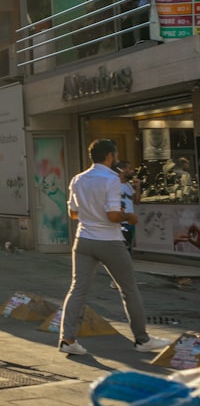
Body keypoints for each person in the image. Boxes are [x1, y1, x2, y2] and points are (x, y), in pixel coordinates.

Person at [58, 139, 171, 356]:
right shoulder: (111, 180)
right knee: (128, 289)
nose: (117, 159)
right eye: (116, 156)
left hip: (83, 240)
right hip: (109, 240)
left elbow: (73, 214)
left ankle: (68, 339)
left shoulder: (77, 179)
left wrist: (90, 213)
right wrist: (129, 216)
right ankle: (142, 339)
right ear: (109, 156)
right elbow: (112, 216)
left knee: (77, 289)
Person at [117, 161, 139, 253]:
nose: (131, 171)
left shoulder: (128, 185)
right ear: (122, 170)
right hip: (120, 221)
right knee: (121, 248)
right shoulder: (114, 184)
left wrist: (138, 187)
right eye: (129, 169)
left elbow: (136, 201)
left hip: (130, 221)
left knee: (128, 246)